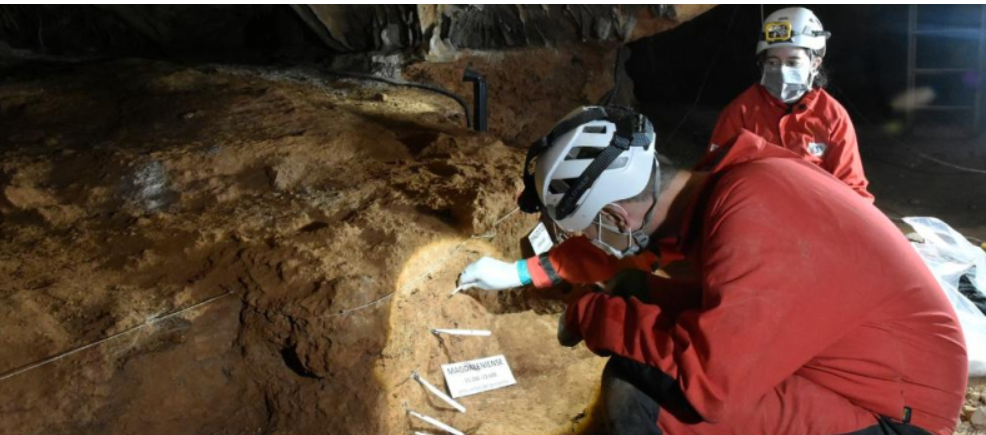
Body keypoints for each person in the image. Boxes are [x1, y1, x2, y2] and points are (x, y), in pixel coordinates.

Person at [461, 106, 967, 435]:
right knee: (648, 337)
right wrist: (535, 274)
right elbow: (733, 305)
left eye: (593, 230)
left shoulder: (754, 212)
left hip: (896, 414)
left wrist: (596, 317)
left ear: (616, 216)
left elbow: (711, 383)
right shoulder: (722, 192)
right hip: (855, 367)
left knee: (645, 391)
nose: (596, 243)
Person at [706, 6, 873, 201]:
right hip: (757, 208)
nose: (782, 70)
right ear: (763, 64)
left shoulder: (832, 116)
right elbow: (714, 176)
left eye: (793, 62)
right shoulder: (741, 111)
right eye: (773, 62)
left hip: (815, 208)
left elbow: (852, 186)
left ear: (814, 64)